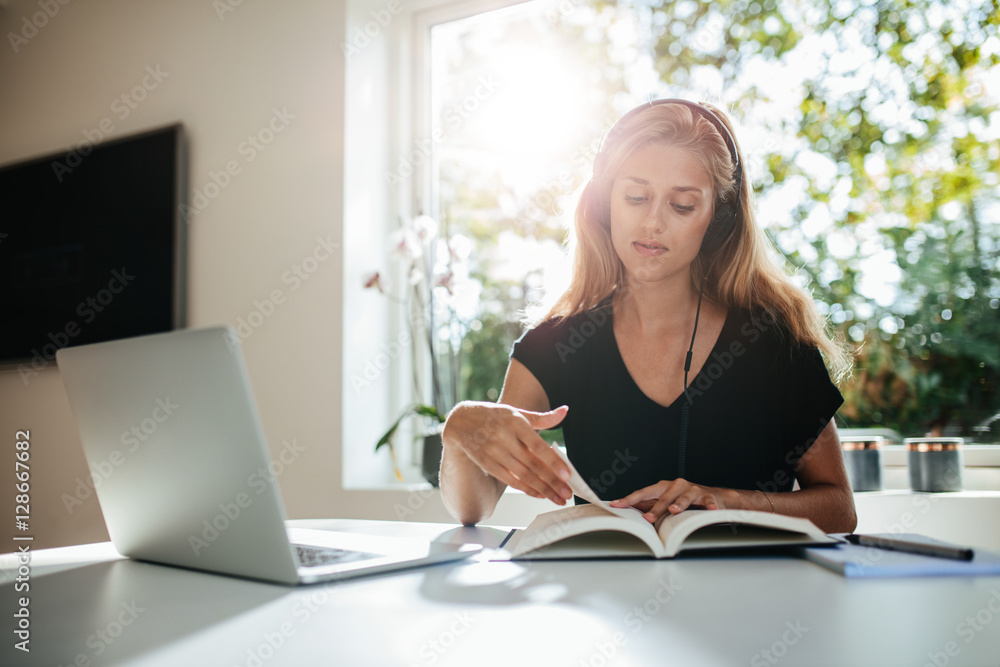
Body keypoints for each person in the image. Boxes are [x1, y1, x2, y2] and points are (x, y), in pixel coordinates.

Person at [440, 99, 857, 534]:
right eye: (636, 197)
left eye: (682, 206)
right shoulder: (556, 343)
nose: (653, 222)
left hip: (753, 598)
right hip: (605, 599)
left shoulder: (773, 340)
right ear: (606, 204)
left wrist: (731, 501)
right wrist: (460, 427)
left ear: (717, 219)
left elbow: (839, 510)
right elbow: (473, 508)